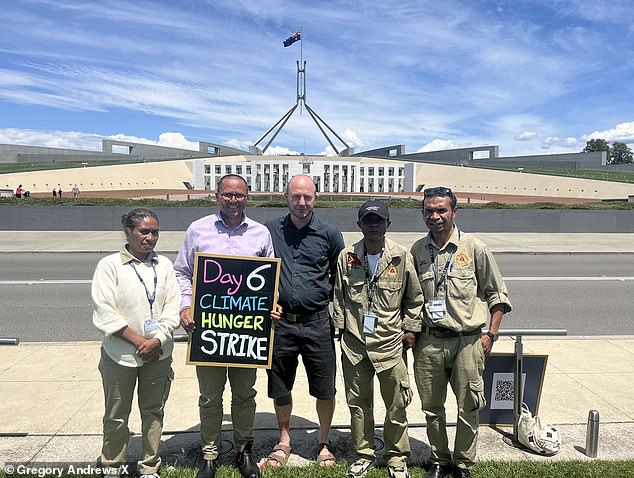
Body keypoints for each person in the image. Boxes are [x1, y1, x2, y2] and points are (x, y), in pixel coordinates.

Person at [174, 174, 274, 478]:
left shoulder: (260, 233)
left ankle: (244, 449)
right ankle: (210, 453)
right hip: (209, 330)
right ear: (217, 195)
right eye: (228, 195)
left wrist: (272, 304)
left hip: (246, 332)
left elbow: (270, 279)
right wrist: (185, 306)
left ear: (248, 197)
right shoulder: (198, 229)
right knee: (210, 396)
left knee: (245, 395)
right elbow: (181, 272)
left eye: (239, 195)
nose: (233, 200)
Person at [410, 187, 512, 478]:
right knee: (432, 407)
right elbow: (411, 297)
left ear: (454, 212)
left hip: (468, 342)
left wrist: (490, 335)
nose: (435, 216)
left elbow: (498, 294)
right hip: (429, 342)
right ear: (423, 214)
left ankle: (463, 463)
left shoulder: (474, 248)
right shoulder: (417, 250)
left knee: (468, 407)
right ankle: (440, 460)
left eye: (441, 210)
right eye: (429, 210)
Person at [333, 200, 423, 478]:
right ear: (359, 224)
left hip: (390, 345)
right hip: (355, 346)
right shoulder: (346, 257)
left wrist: (410, 329)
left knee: (396, 405)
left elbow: (414, 298)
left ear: (388, 224)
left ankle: (397, 457)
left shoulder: (401, 256)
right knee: (359, 406)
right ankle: (363, 454)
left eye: (378, 220)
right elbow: (338, 296)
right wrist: (339, 328)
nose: (373, 225)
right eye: (368, 220)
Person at [92, 208, 180, 478]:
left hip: (159, 354)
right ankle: (112, 465)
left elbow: (173, 307)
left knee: (153, 412)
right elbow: (105, 311)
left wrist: (158, 339)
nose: (150, 237)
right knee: (116, 415)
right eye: (144, 231)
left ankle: (149, 466)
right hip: (120, 356)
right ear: (128, 232)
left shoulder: (164, 265)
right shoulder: (109, 266)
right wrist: (141, 342)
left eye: (155, 232)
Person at [264, 174, 345, 468]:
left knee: (325, 387)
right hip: (281, 322)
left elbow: (340, 277)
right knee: (280, 385)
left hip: (317, 323)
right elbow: (257, 274)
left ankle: (323, 442)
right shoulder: (269, 231)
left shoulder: (330, 234)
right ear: (285, 197)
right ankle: (284, 439)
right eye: (296, 196)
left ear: (316, 198)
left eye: (307, 197)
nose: (301, 203)